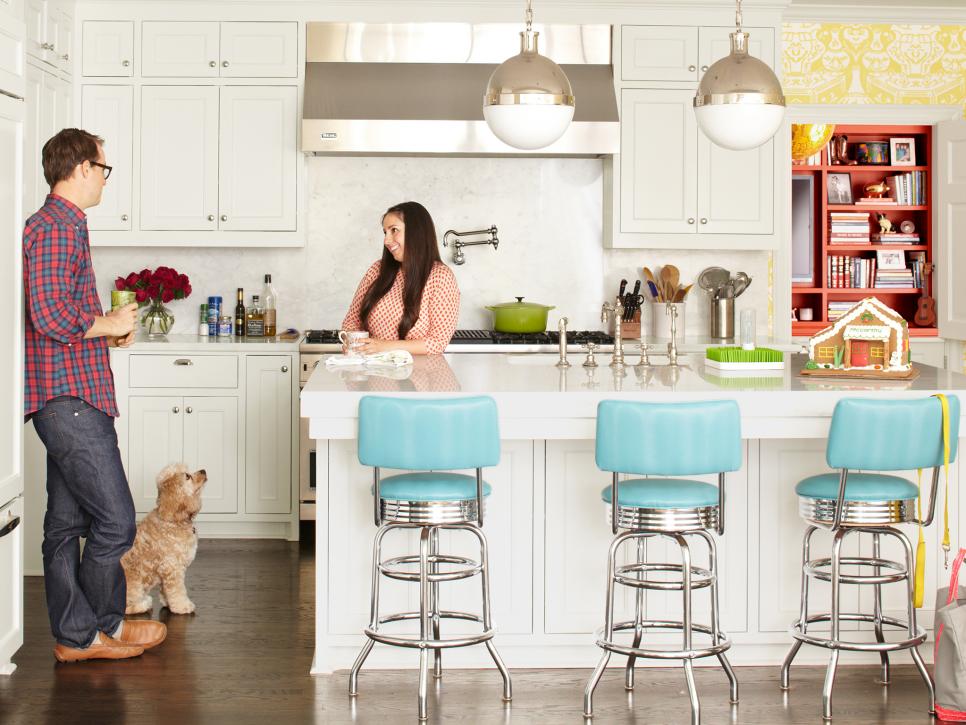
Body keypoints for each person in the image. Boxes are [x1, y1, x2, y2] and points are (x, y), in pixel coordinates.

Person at [23, 129, 167, 662]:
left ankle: (75, 638)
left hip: (64, 394)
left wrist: (109, 328)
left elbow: (65, 314)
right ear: (82, 168)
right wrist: (104, 322)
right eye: (104, 169)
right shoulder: (57, 228)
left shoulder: (60, 226)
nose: (106, 179)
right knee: (116, 522)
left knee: (64, 526)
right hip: (71, 400)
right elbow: (49, 315)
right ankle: (98, 625)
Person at [342, 201, 460, 355]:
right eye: (385, 232)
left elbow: (437, 342)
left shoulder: (440, 277)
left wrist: (384, 346)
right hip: (373, 373)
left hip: (418, 375)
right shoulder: (376, 271)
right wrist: (352, 343)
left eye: (394, 230)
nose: (387, 240)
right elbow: (352, 320)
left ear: (416, 232)